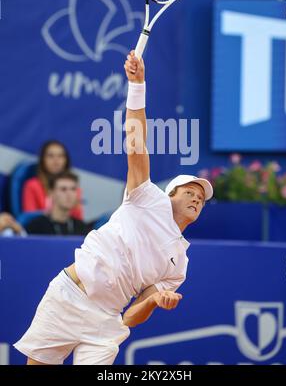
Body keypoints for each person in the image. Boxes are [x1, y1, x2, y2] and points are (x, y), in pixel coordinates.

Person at [14, 50, 213, 365]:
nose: (196, 199)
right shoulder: (146, 197)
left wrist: (155, 302)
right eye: (190, 191)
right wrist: (137, 85)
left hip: (107, 321)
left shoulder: (179, 266)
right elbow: (136, 145)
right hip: (68, 296)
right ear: (170, 194)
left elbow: (132, 316)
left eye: (201, 198)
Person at [22, 140, 83, 220]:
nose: (56, 160)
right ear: (43, 160)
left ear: (66, 160)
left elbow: (78, 217)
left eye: (60, 156)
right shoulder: (32, 185)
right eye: (51, 156)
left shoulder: (73, 186)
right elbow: (28, 218)